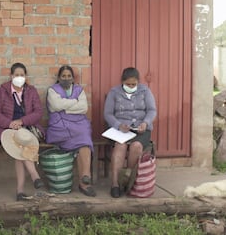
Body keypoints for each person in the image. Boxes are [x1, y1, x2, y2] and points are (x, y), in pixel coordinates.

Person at [0, 62, 45, 201]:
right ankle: (34, 175)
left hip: (27, 128)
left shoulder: (31, 91)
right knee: (17, 144)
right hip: (7, 129)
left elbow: (38, 112)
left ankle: (20, 190)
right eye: (16, 75)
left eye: (22, 75)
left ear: (25, 77)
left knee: (20, 146)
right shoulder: (3, 91)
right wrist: (9, 123)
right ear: (11, 76)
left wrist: (22, 121)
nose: (19, 77)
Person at [104, 67, 157, 198]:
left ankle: (128, 181)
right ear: (122, 82)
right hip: (121, 129)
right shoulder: (114, 92)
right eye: (128, 84)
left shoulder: (145, 91)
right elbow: (108, 114)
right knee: (120, 146)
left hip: (141, 129)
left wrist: (145, 122)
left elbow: (152, 110)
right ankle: (115, 184)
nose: (131, 86)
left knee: (136, 147)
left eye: (134, 84)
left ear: (138, 82)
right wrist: (118, 125)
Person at [46, 65, 96, 197]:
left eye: (69, 76)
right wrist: (74, 103)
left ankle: (85, 180)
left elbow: (84, 108)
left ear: (73, 78)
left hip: (79, 125)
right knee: (82, 140)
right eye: (63, 76)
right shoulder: (52, 90)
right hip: (60, 127)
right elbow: (56, 106)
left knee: (84, 143)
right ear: (58, 78)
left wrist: (65, 108)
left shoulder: (79, 89)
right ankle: (85, 181)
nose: (66, 79)